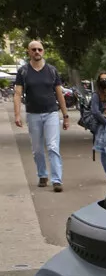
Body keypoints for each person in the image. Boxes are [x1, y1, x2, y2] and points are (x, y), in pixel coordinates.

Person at [12, 39, 69, 192]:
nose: (37, 52)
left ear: (43, 51)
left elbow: (59, 93)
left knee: (52, 147)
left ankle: (57, 180)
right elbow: (17, 94)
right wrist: (17, 115)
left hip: (51, 113)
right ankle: (42, 175)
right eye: (34, 49)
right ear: (29, 52)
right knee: (37, 149)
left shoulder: (51, 70)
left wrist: (65, 115)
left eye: (39, 49)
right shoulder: (23, 71)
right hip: (33, 114)